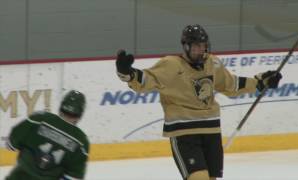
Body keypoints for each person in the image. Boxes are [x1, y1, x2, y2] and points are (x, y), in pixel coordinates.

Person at [115, 24, 282, 180]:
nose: (201, 50)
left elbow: (231, 85)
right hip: (185, 134)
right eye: (196, 46)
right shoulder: (171, 65)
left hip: (211, 131)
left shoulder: (213, 63)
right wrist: (127, 73)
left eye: (203, 46)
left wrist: (260, 82)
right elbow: (145, 80)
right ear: (186, 46)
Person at [5, 90, 89, 180]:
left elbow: (10, 145)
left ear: (62, 106)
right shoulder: (81, 142)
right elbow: (72, 177)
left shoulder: (38, 119)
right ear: (80, 113)